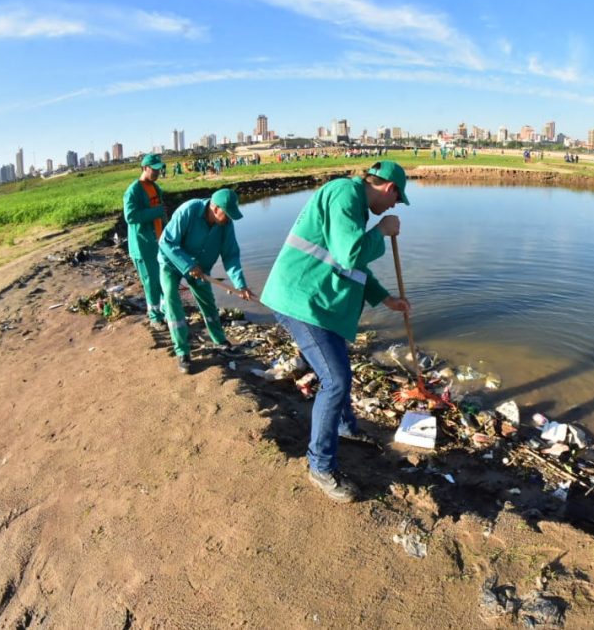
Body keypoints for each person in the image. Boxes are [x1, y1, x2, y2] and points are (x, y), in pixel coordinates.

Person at [260, 160, 411, 503]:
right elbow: (352, 251)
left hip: (317, 302)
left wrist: (385, 299)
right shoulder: (345, 193)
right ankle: (321, 467)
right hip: (301, 301)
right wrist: (382, 231)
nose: (391, 208)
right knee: (337, 380)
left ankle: (344, 428)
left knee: (338, 368)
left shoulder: (355, 205)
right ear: (389, 188)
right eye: (396, 201)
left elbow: (351, 266)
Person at [158, 188, 254, 374]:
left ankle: (219, 341)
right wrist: (187, 265)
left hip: (200, 268)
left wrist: (240, 285)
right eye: (227, 214)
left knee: (208, 302)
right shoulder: (189, 210)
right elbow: (167, 242)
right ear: (215, 208)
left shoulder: (226, 225)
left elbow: (231, 255)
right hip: (171, 262)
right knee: (171, 299)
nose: (229, 219)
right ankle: (183, 352)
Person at [123, 153, 169, 329]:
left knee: (162, 279)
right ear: (144, 168)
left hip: (158, 242)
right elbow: (130, 216)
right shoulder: (133, 190)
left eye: (159, 169)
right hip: (143, 246)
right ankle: (155, 317)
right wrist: (155, 212)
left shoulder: (155, 188)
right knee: (150, 281)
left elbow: (161, 211)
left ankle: (166, 312)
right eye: (154, 169)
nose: (157, 173)